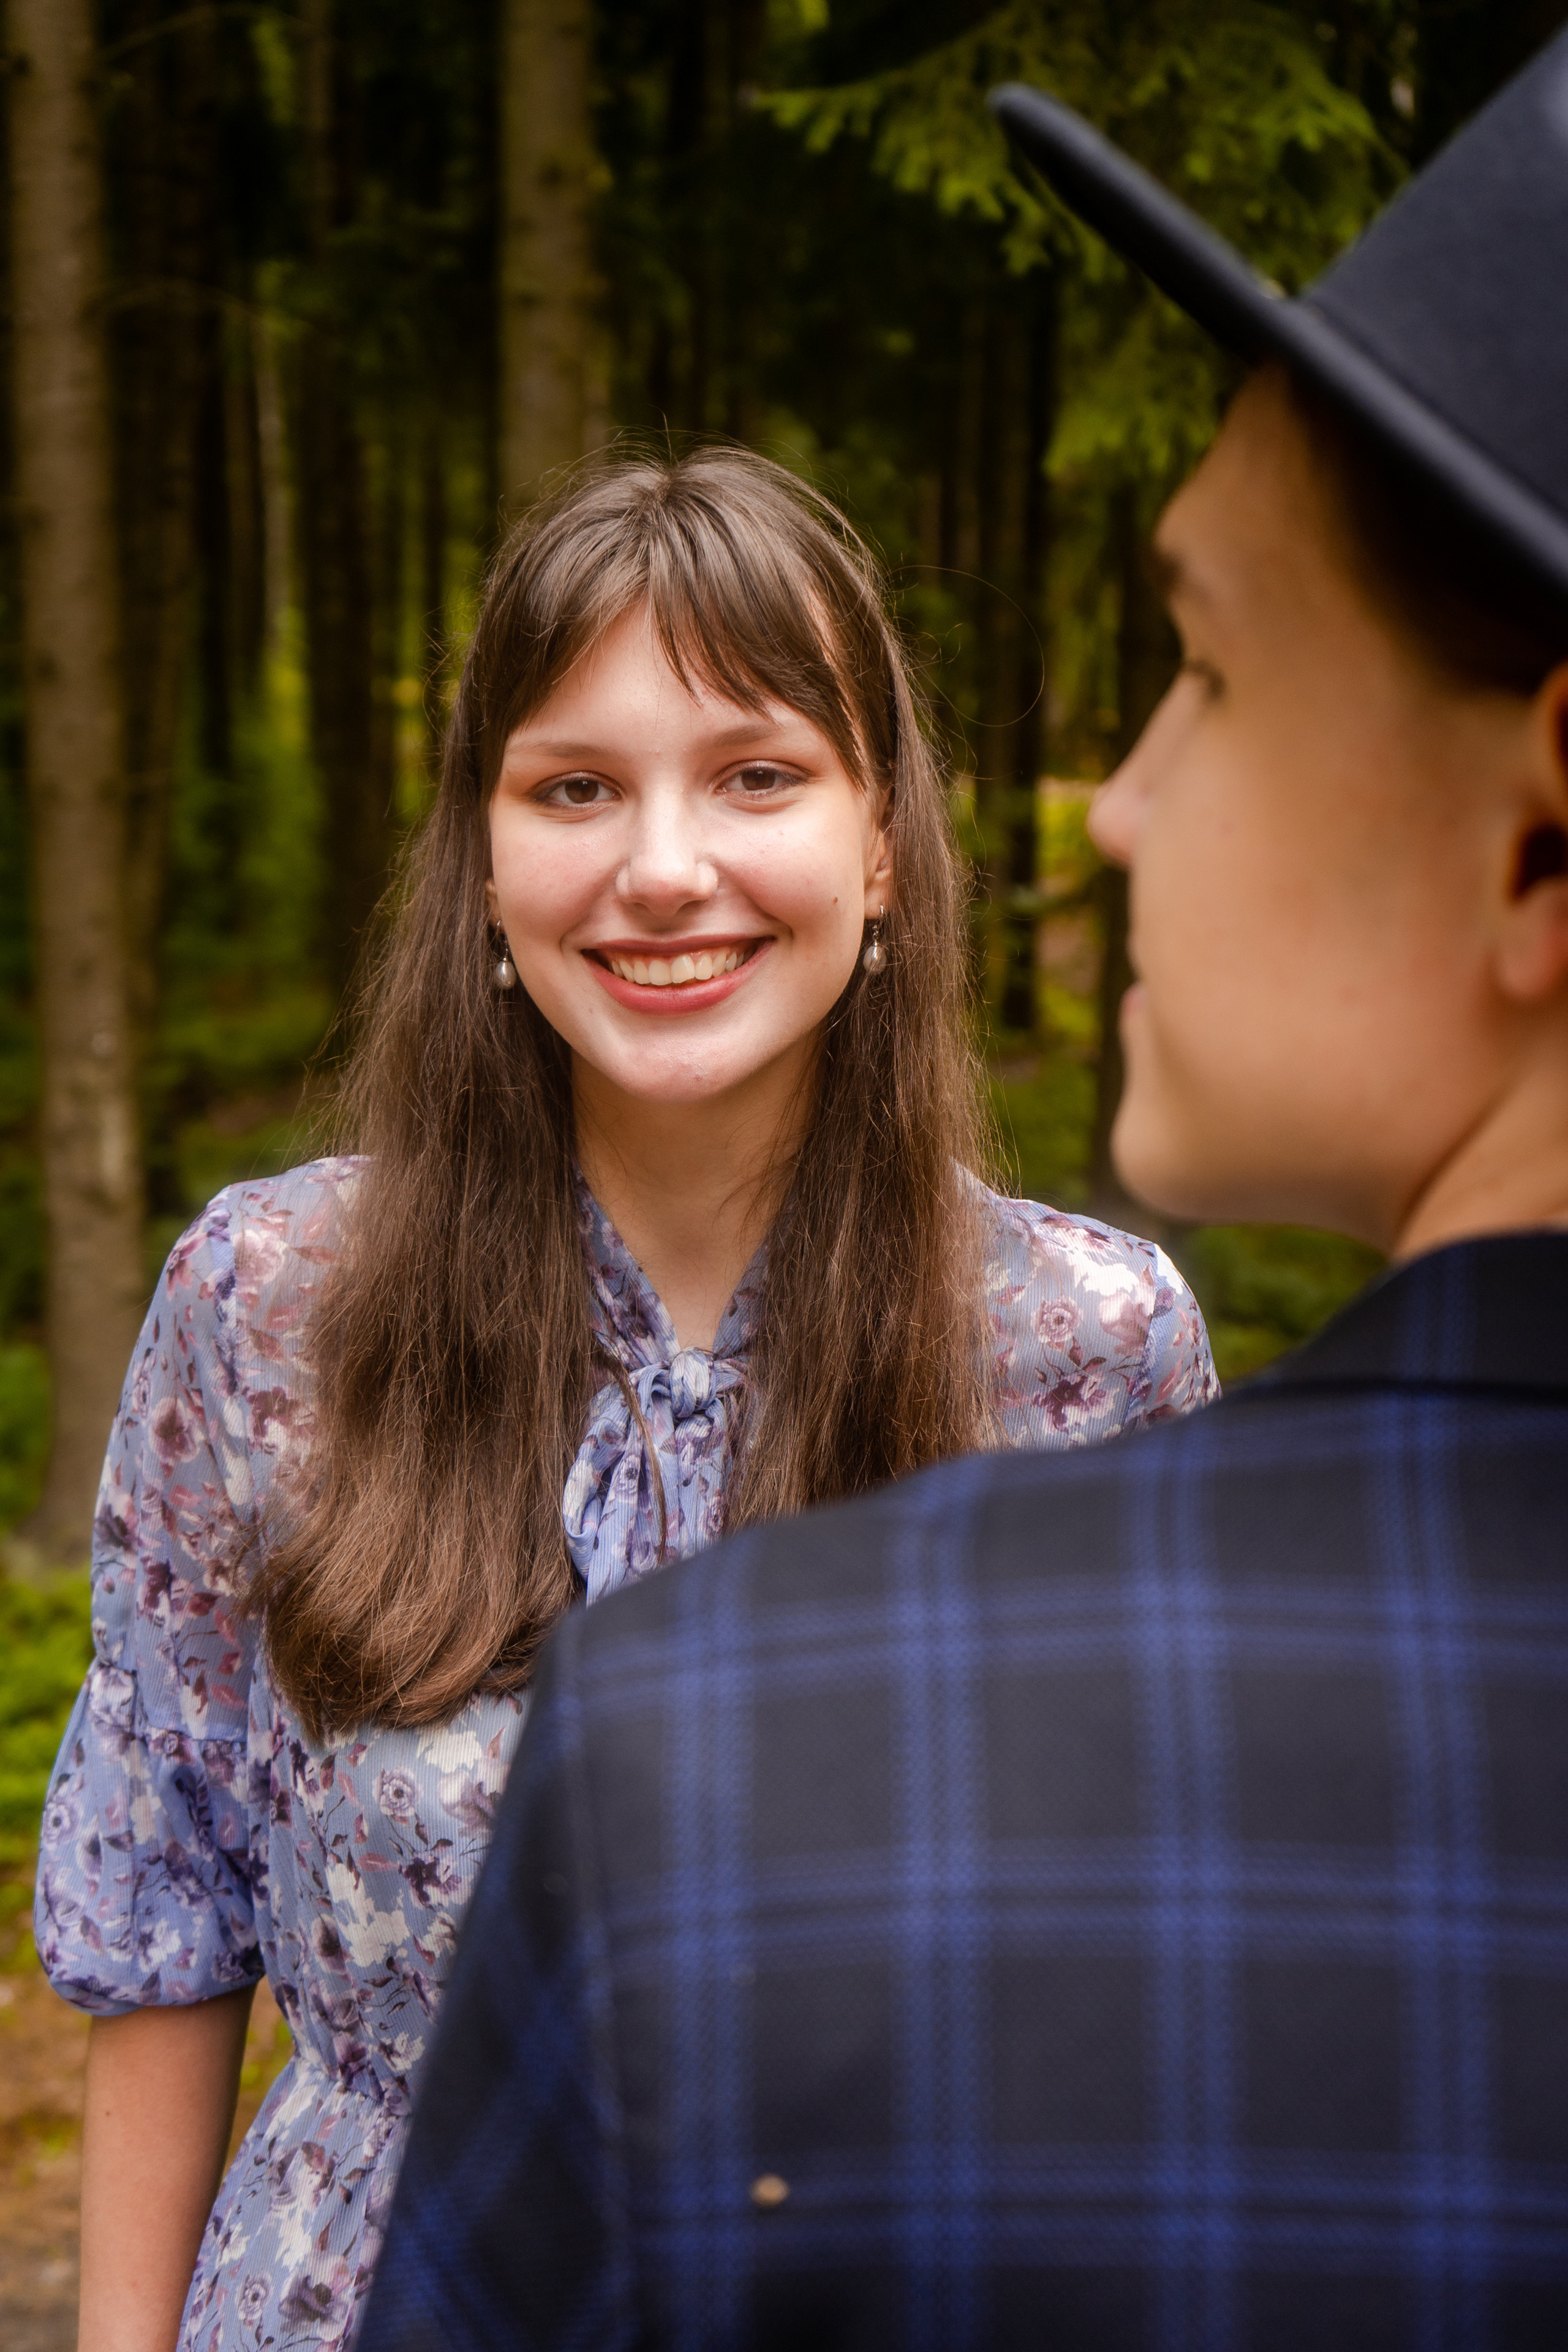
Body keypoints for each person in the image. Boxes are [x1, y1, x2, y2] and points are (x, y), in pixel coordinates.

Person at [358, 29, 1568, 2352]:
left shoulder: (715, 1738)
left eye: (1205, 664)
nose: (1114, 804)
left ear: (1546, 836)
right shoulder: (279, 1296)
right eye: (573, 789)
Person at [34, 448, 1216, 2352]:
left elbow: (1139, 2017)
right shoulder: (271, 1309)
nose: (663, 866)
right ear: (487, 866)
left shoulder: (1084, 1347)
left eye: (756, 775)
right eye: (575, 787)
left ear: (883, 844)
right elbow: (163, 1938)